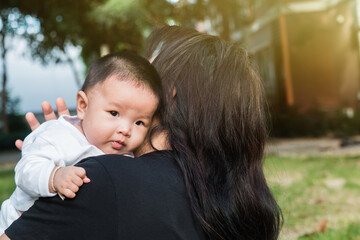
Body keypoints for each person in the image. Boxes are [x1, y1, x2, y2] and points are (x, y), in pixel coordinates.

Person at [1, 25, 282, 240]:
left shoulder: (104, 178)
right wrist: (61, 150)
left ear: (169, 96)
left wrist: (41, 183)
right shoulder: (240, 198)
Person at [0, 51, 161, 235]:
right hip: (15, 224)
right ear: (83, 106)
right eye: (114, 113)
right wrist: (55, 176)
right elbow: (25, 171)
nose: (126, 130)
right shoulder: (58, 135)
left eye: (139, 122)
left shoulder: (126, 156)